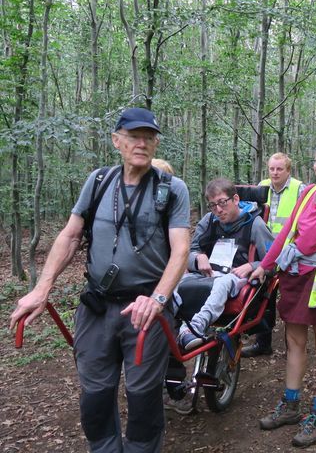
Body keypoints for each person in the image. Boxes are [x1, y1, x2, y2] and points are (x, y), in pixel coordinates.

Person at [9, 107, 191, 453]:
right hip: (96, 307)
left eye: (149, 137)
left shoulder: (172, 188)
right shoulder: (98, 182)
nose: (142, 143)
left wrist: (158, 300)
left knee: (142, 399)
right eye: (134, 136)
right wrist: (41, 289)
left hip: (144, 311)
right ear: (116, 141)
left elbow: (181, 251)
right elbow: (70, 235)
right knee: (94, 395)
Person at [250, 139, 316, 448]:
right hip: (295, 276)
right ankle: (291, 404)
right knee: (294, 341)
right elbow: (286, 234)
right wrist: (266, 266)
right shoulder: (308, 193)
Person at [175, 178, 274, 350]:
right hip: (206, 274)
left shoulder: (256, 224)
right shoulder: (208, 221)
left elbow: (273, 262)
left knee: (223, 282)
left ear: (235, 199)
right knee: (173, 282)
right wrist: (198, 257)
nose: (218, 210)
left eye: (222, 203)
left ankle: (193, 328)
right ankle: (164, 329)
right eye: (213, 205)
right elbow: (190, 251)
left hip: (236, 276)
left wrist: (252, 266)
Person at [242, 152, 305, 358]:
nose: (275, 173)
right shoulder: (262, 187)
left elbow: (304, 223)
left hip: (290, 253)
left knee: (290, 300)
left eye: (280, 169)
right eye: (272, 168)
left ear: (288, 170)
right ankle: (263, 342)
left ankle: (293, 347)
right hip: (264, 252)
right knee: (263, 297)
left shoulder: (299, 189)